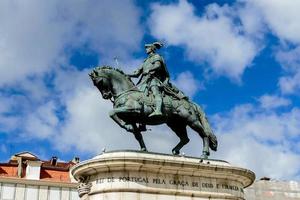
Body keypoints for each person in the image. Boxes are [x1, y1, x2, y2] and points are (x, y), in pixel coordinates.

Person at [128, 42, 169, 117]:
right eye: (146, 48)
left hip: (154, 79)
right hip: (144, 81)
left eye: (148, 48)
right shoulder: (145, 61)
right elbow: (136, 74)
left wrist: (149, 70)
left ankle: (158, 110)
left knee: (155, 92)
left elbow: (158, 66)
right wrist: (125, 74)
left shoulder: (156, 56)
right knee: (140, 98)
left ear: (152, 48)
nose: (146, 49)